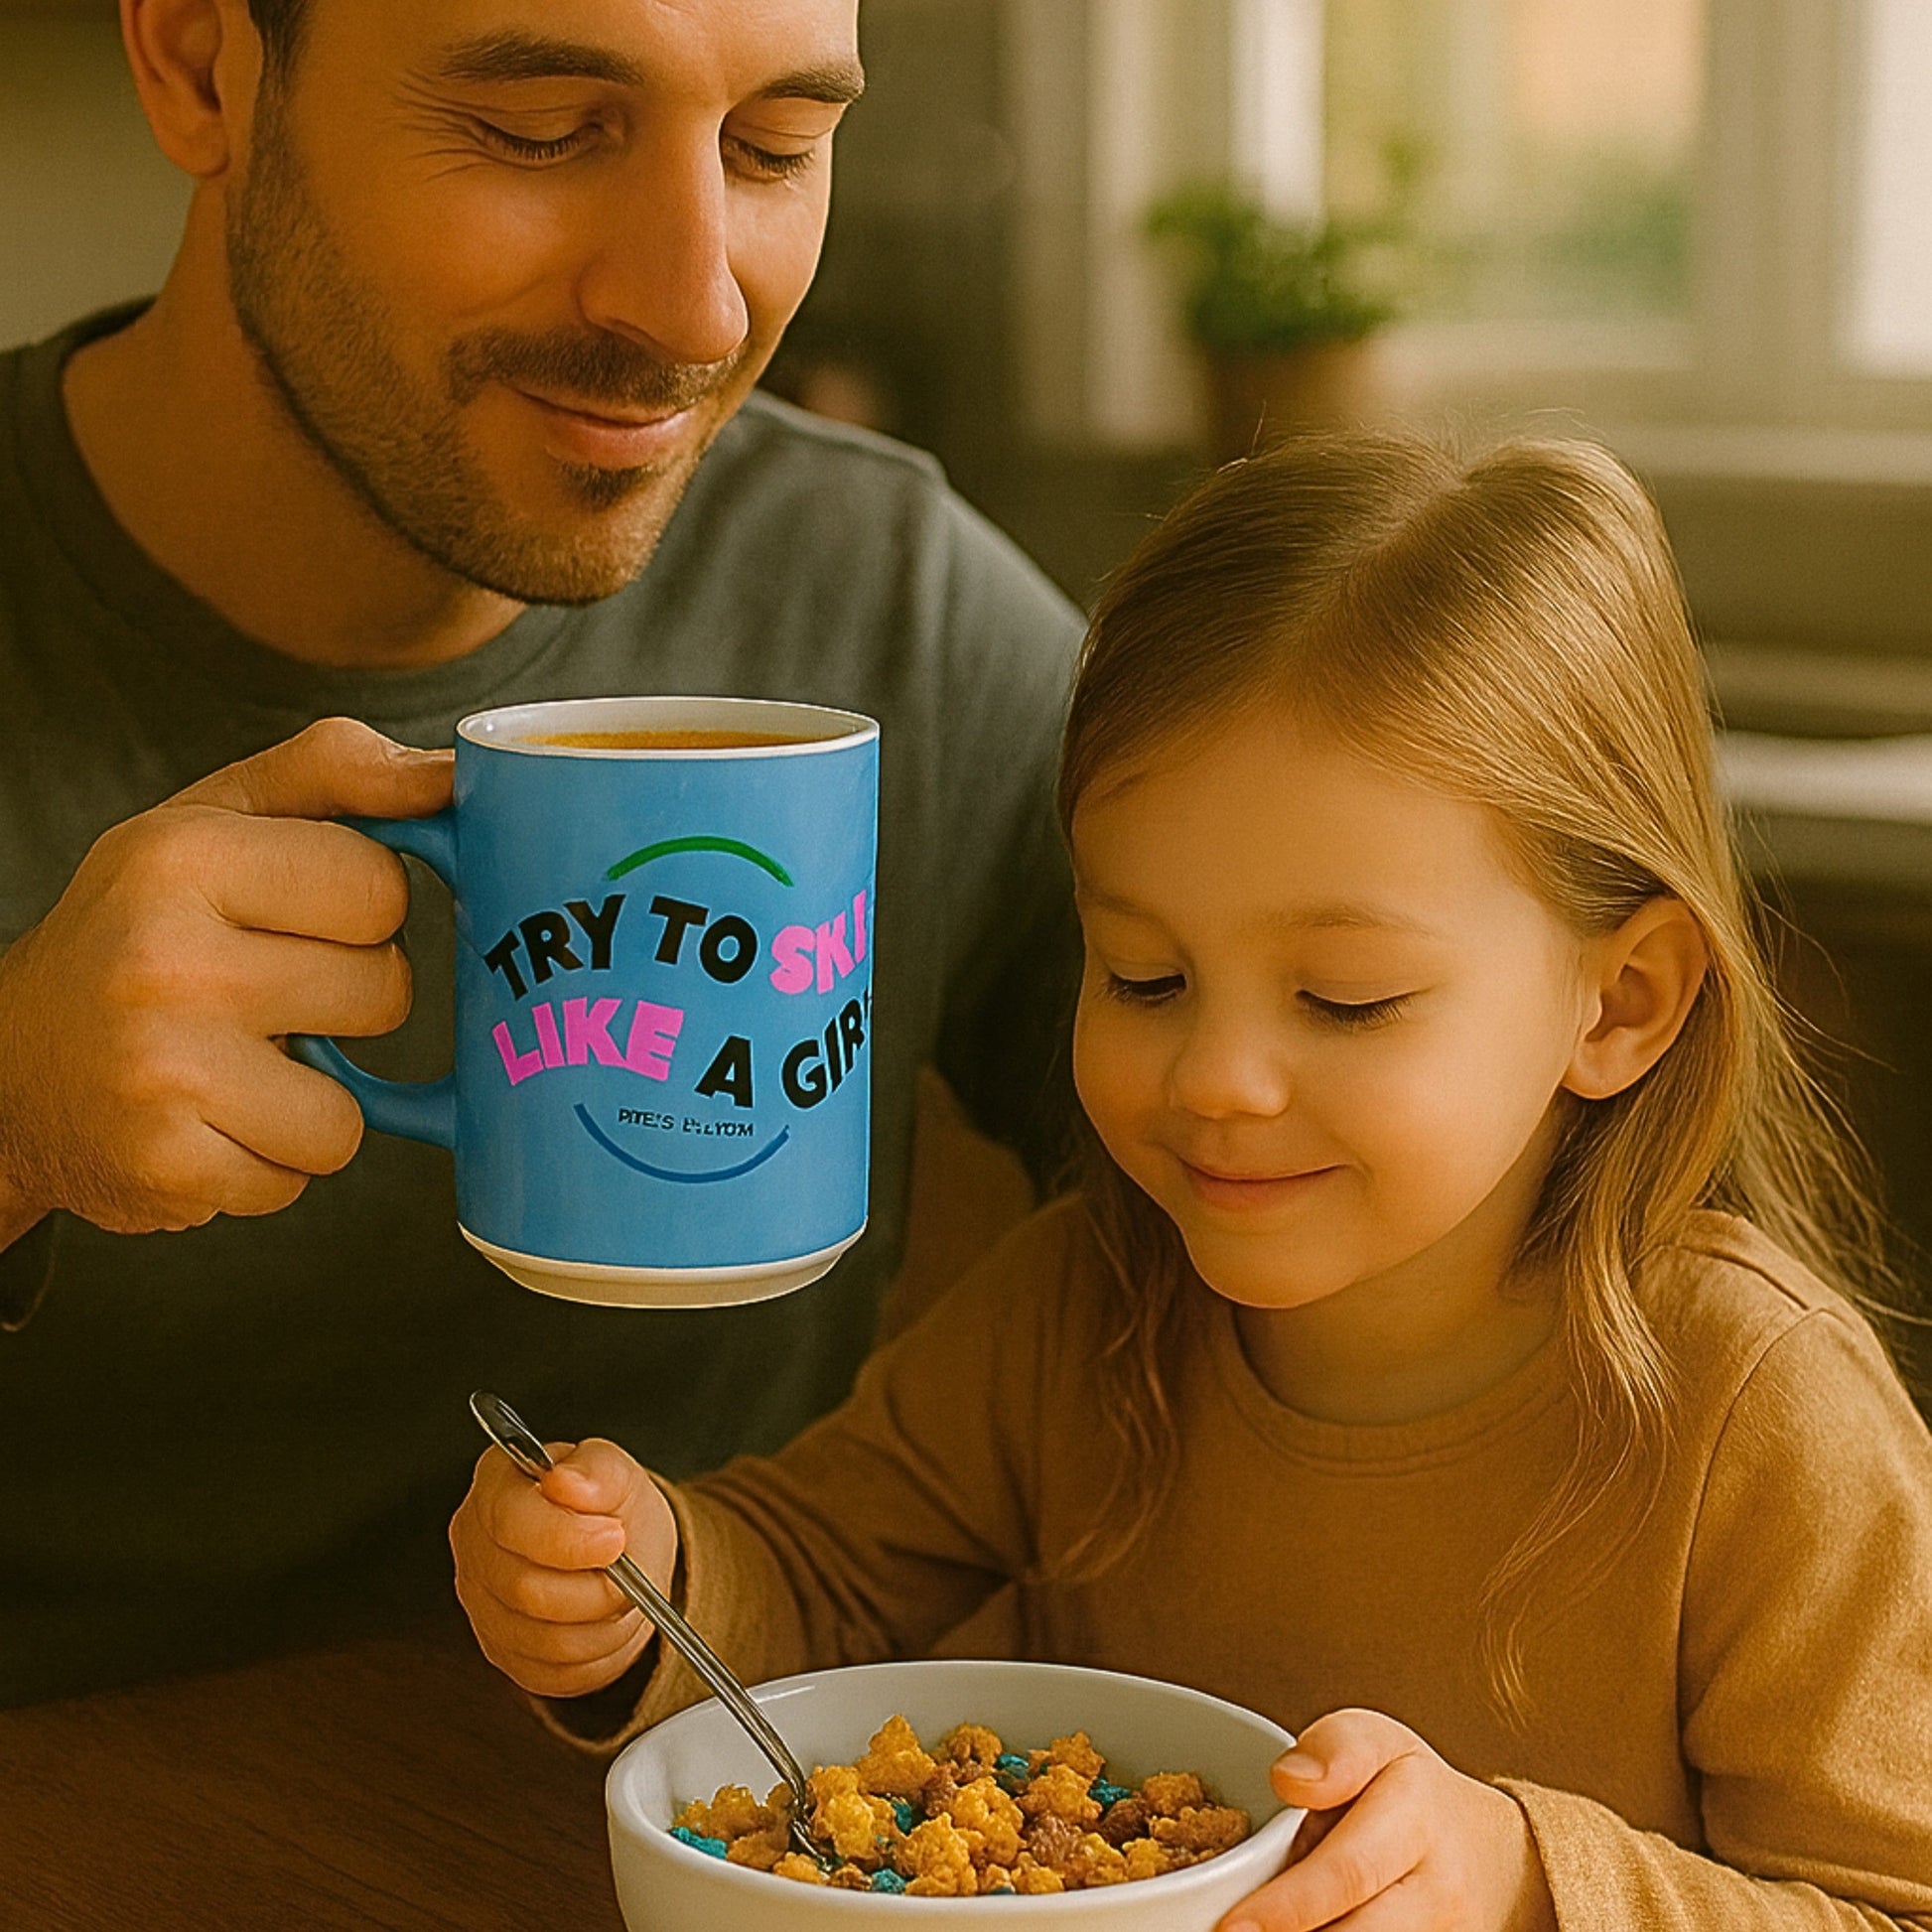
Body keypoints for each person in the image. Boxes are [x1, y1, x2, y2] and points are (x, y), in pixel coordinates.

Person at [453, 434, 1932, 1926]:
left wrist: (1520, 1879)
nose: (1215, 1076)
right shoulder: (1076, 1307)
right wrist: (633, 1579)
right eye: (1145, 974)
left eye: (1344, 997)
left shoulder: (1755, 1419)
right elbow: (809, 1580)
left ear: (1614, 1004)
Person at [0, 0, 1082, 1708]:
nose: (699, 305)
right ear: (203, 62)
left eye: (776, 148)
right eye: (537, 131)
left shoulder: (885, 596)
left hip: (711, 1831)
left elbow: (1436, 1226)